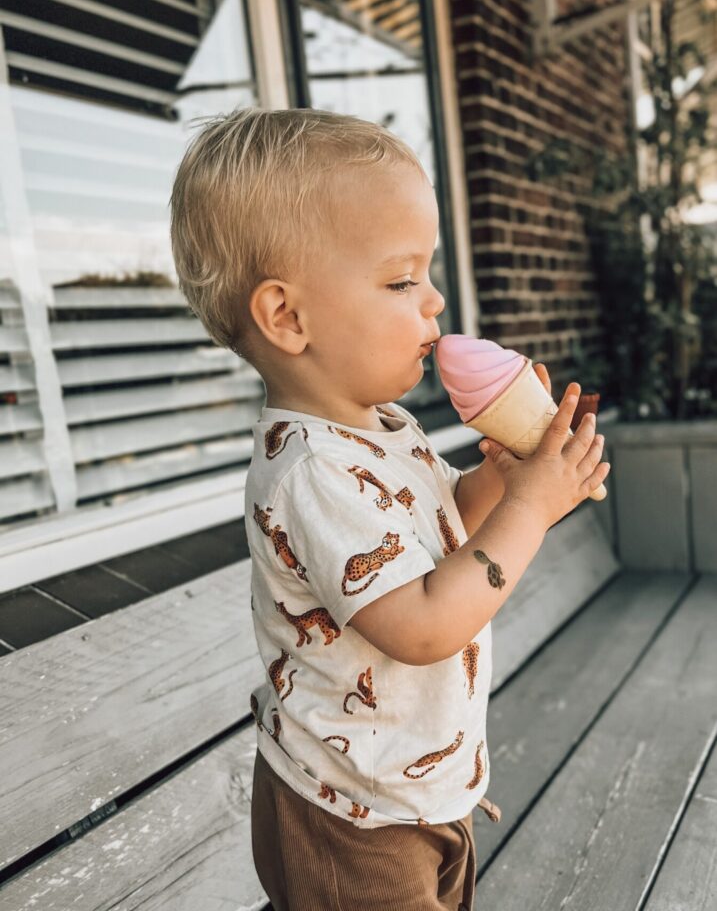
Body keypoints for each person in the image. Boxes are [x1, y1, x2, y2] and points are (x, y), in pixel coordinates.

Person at [169, 108, 610, 910]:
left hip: (412, 783)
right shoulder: (312, 471)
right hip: (351, 814)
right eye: (402, 279)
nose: (434, 300)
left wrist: (506, 482)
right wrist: (533, 511)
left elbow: (440, 527)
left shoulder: (380, 427)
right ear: (288, 318)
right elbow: (420, 625)